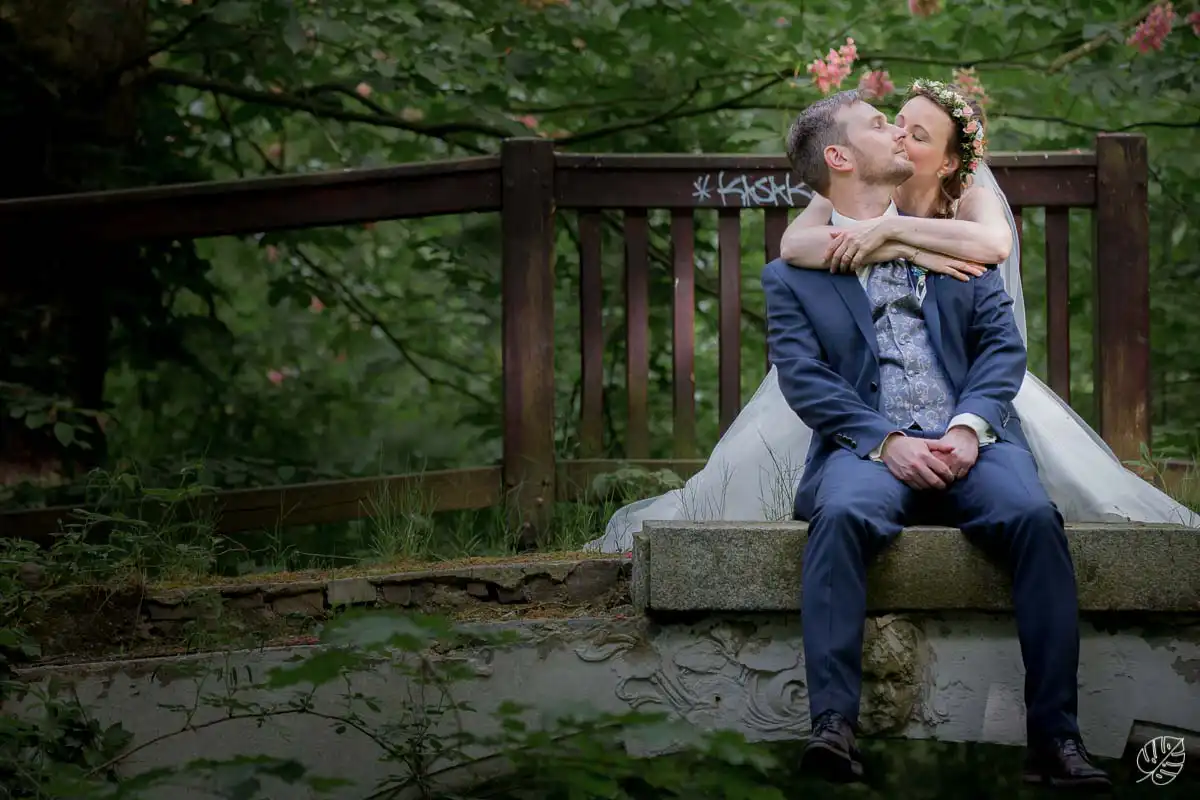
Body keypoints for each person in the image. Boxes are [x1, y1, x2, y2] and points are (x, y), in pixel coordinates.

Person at [587, 80, 1198, 555]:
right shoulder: (859, 182)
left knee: (1053, 465)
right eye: (897, 125)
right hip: (859, 372)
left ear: (951, 162)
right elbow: (795, 250)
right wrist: (899, 242)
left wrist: (897, 232)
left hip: (948, 370)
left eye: (918, 135)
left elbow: (994, 247)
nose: (901, 139)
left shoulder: (970, 196)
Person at [760, 89, 1111, 789]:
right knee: (837, 517)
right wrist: (886, 440)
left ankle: (1056, 740)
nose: (894, 131)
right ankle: (832, 729)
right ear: (839, 157)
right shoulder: (792, 274)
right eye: (876, 125)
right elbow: (805, 381)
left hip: (970, 442)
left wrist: (969, 427)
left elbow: (1001, 351)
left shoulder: (951, 242)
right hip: (871, 452)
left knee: (1036, 518)